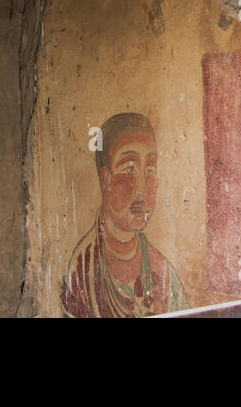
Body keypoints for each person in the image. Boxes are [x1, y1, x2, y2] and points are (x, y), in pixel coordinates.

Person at [61, 112, 187, 316]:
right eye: (130, 170)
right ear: (106, 181)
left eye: (149, 170)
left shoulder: (164, 274)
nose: (142, 190)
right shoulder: (82, 272)